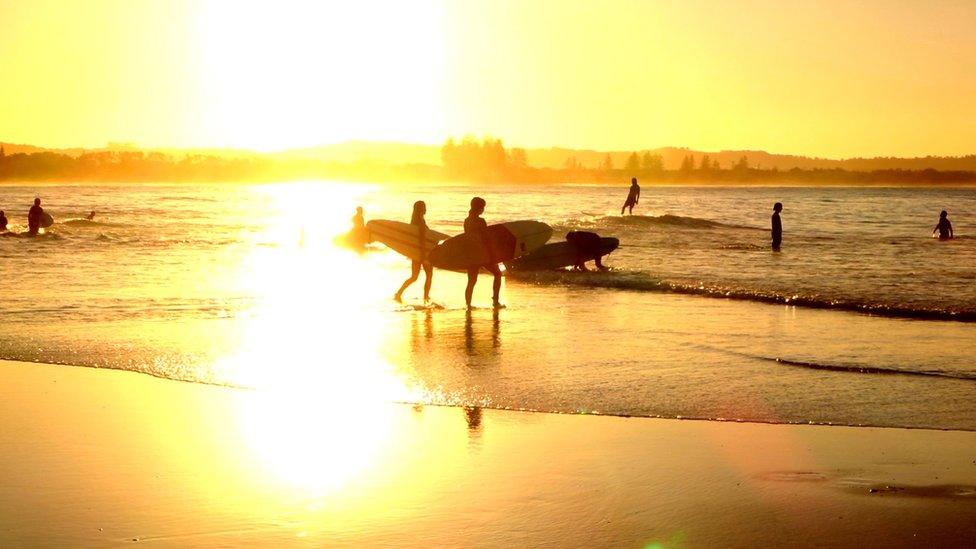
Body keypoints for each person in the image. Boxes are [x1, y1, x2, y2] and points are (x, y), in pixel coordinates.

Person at [464, 197, 503, 309]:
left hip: (471, 254)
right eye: (483, 207)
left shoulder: (467, 220)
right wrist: (493, 253)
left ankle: (468, 305)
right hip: (482, 254)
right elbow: (486, 239)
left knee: (471, 281)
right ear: (478, 207)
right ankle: (495, 302)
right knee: (498, 274)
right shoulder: (481, 221)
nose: (483, 209)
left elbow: (468, 238)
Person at [394, 201, 433, 303]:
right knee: (429, 275)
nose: (426, 209)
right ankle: (426, 297)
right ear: (421, 209)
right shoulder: (420, 222)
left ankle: (399, 292)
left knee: (414, 277)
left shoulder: (414, 221)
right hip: (422, 253)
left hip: (416, 253)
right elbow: (422, 239)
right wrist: (424, 256)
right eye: (424, 207)